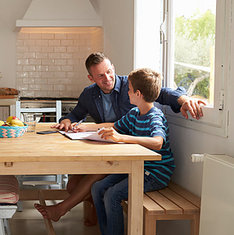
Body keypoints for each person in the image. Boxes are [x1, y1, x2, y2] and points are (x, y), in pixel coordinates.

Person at [34, 52, 205, 224]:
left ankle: (65, 210)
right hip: (107, 148)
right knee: (72, 186)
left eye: (109, 71)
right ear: (91, 78)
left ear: (113, 68)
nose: (107, 78)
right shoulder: (89, 94)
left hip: (128, 153)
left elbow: (162, 93)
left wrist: (184, 100)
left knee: (97, 181)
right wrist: (66, 121)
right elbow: (76, 114)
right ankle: (97, 214)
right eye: (100, 76)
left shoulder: (130, 86)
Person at [87, 68, 174, 235]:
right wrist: (83, 128)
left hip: (154, 174)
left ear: (138, 94)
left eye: (129, 89)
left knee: (112, 195)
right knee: (97, 187)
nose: (127, 92)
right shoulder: (135, 113)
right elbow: (114, 126)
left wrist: (122, 138)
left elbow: (158, 142)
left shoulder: (155, 116)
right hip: (137, 168)